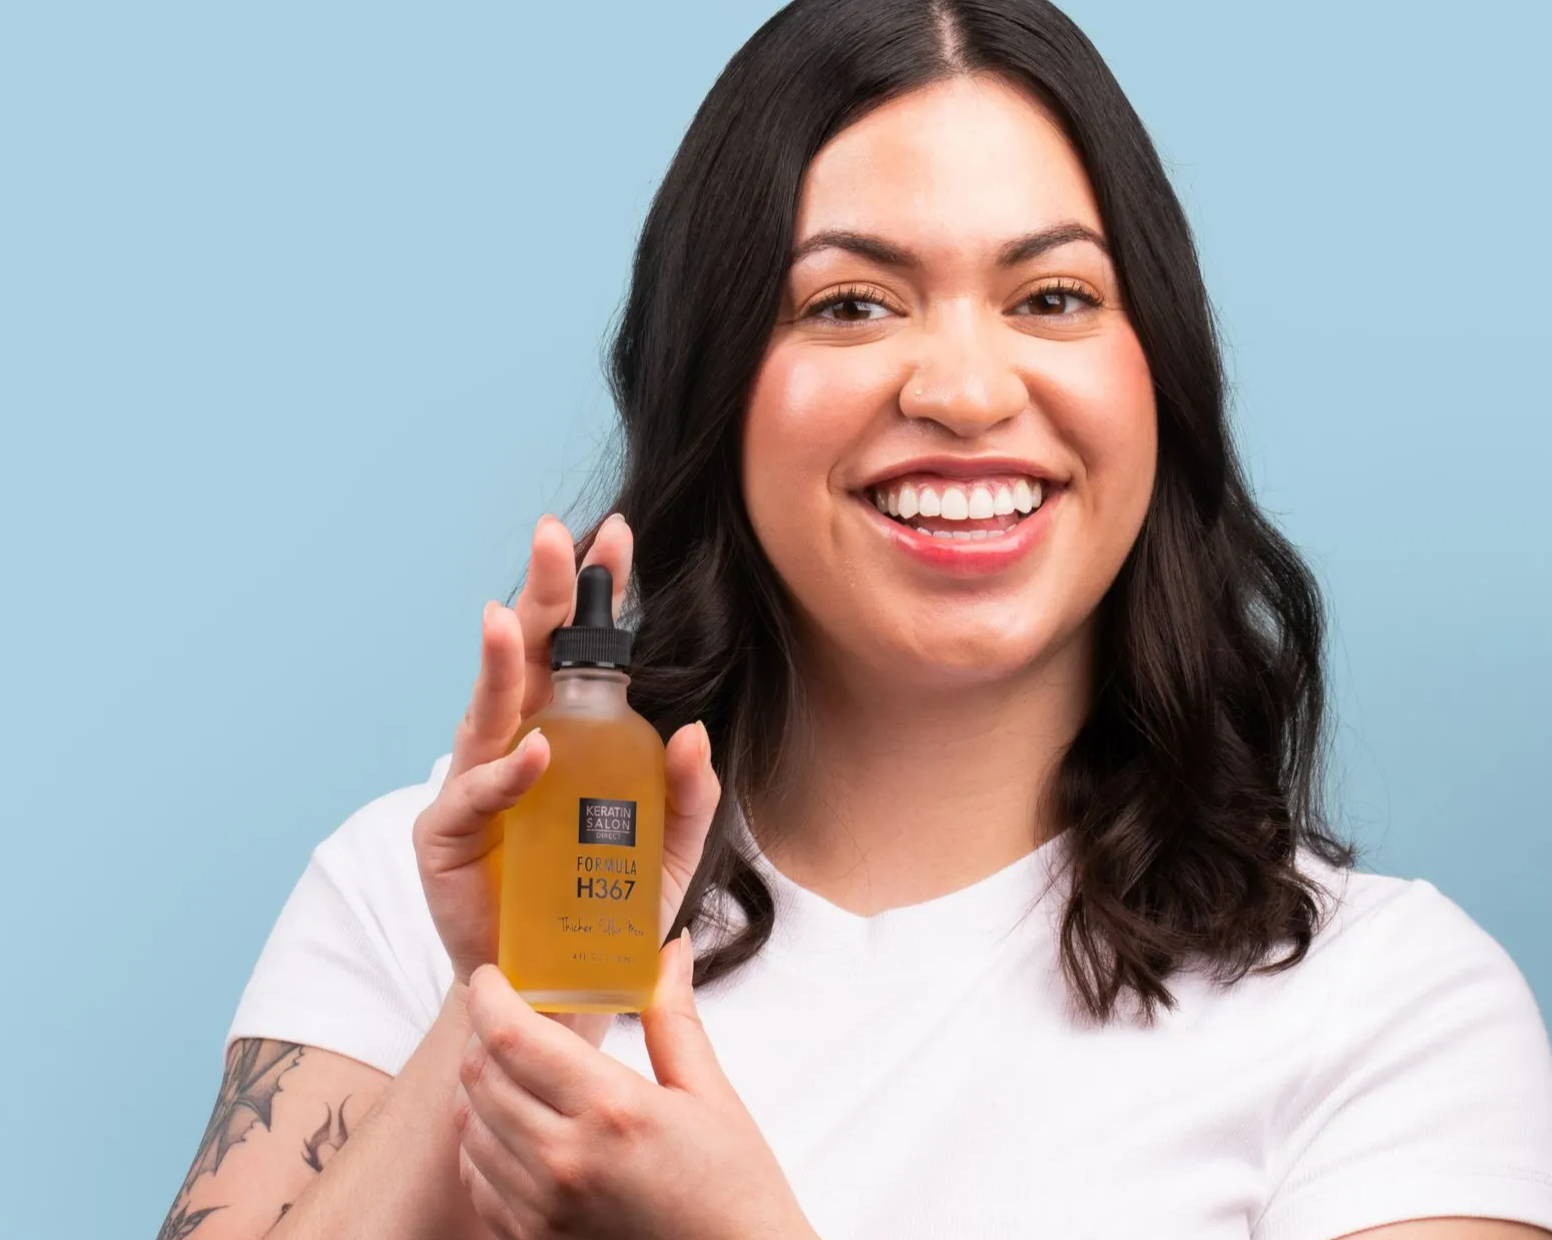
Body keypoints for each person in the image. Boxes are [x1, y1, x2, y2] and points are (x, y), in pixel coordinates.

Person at [158, 1, 1552, 1237]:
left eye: (1054, 295)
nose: (960, 386)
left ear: (1162, 377)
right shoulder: (412, 897)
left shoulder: (1391, 1008)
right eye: (849, 303)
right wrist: (511, 1003)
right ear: (713, 386)